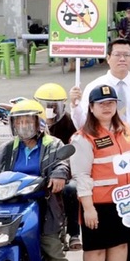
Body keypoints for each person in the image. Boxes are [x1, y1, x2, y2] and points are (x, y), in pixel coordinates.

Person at [0, 99, 80, 261]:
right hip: (9, 206)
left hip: (43, 205)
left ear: (39, 123)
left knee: (51, 247)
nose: (24, 125)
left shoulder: (53, 144)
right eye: (19, 121)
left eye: (28, 121)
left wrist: (58, 176)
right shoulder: (7, 149)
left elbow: (62, 163)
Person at [69, 38, 130, 261]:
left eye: (127, 55)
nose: (122, 59)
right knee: (107, 220)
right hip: (103, 162)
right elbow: (82, 123)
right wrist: (75, 104)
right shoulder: (95, 86)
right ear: (107, 58)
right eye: (117, 54)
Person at [70, 85, 130, 261]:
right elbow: (81, 175)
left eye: (111, 103)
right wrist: (88, 208)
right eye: (102, 103)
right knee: (96, 249)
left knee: (120, 245)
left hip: (124, 200)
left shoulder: (125, 129)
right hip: (98, 203)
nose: (107, 107)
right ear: (91, 107)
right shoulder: (83, 137)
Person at [35, 81, 82, 251]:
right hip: (37, 172)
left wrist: (63, 170)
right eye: (45, 106)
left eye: (54, 106)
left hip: (62, 171)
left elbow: (73, 149)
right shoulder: (31, 122)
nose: (50, 110)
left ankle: (74, 233)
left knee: (71, 190)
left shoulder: (68, 122)